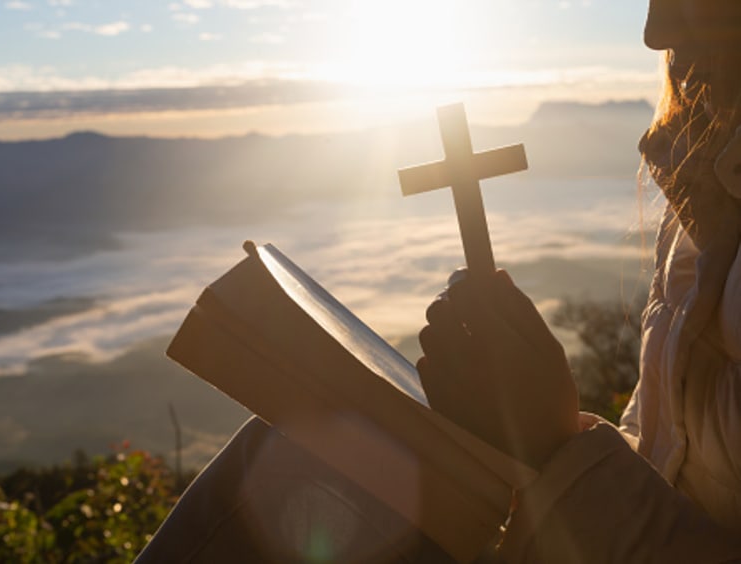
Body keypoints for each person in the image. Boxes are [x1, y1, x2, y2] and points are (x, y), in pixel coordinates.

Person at [137, 0, 741, 561]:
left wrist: (552, 445)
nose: (656, 30)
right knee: (310, 449)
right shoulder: (706, 208)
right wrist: (512, 448)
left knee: (291, 472)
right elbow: (665, 454)